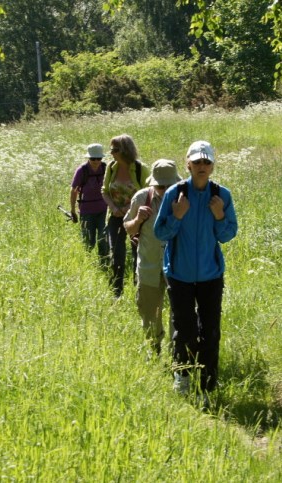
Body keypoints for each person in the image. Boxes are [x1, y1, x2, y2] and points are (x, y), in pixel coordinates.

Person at [153, 140, 237, 401]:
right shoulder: (175, 195)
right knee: (185, 330)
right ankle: (183, 374)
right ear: (187, 164)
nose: (202, 166)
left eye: (207, 162)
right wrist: (177, 215)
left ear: (213, 165)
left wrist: (220, 215)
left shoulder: (221, 195)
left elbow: (227, 234)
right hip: (179, 275)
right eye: (197, 161)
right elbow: (160, 233)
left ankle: (208, 386)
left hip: (211, 275)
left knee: (210, 331)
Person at [124, 159, 182, 355]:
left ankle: (177, 354)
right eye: (160, 186)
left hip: (178, 268)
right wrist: (138, 219)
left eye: (169, 185)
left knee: (179, 313)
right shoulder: (141, 198)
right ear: (152, 184)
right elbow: (128, 229)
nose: (164, 190)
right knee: (148, 312)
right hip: (149, 266)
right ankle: (153, 348)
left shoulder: (184, 199)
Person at [101, 134, 149, 298]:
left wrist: (130, 208)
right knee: (116, 255)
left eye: (115, 149)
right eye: (111, 149)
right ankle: (116, 293)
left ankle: (139, 292)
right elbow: (105, 191)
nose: (111, 152)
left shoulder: (140, 169)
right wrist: (113, 207)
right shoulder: (111, 167)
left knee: (138, 255)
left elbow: (148, 194)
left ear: (126, 150)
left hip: (137, 219)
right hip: (115, 217)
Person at [70, 143, 109, 267]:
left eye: (99, 158)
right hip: (86, 211)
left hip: (104, 210)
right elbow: (73, 190)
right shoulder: (82, 170)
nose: (96, 161)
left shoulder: (105, 168)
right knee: (89, 240)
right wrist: (72, 210)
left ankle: (104, 263)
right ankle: (86, 264)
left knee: (103, 239)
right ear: (88, 158)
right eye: (93, 159)